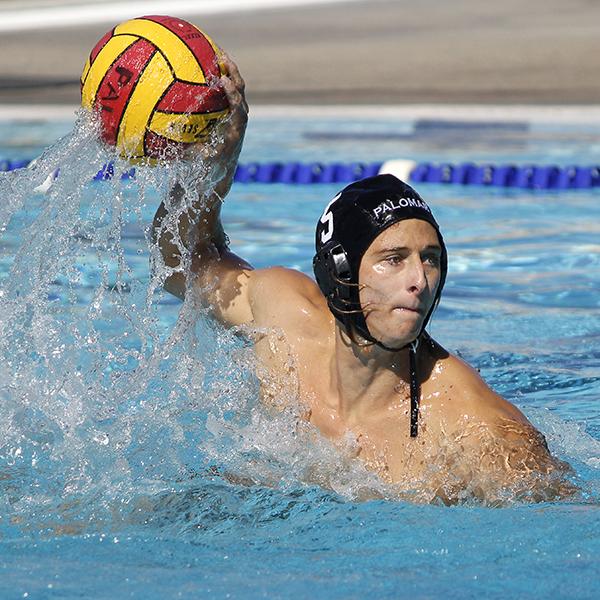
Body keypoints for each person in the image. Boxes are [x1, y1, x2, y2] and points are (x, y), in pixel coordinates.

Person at [152, 55, 573, 504]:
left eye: (430, 259)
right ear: (340, 270)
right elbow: (179, 263)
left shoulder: (475, 429)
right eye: (394, 259)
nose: (419, 281)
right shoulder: (281, 318)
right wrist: (217, 166)